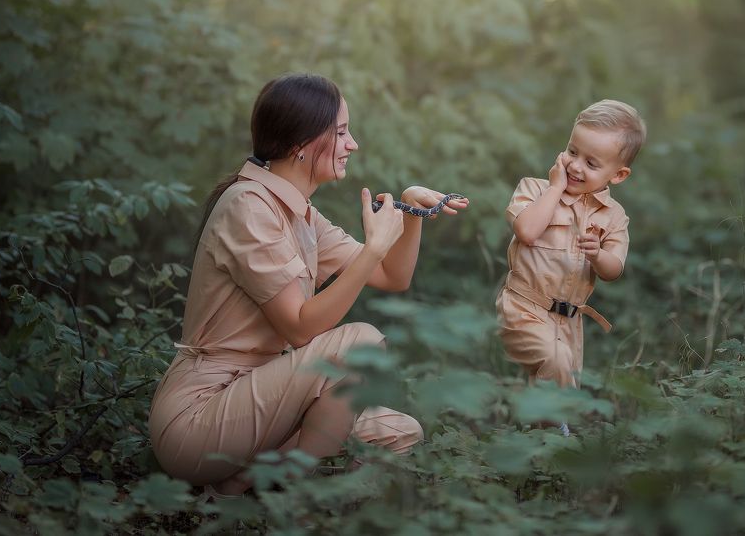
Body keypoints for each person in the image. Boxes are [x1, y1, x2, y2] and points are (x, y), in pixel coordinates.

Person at [148, 73, 469, 496]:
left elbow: (393, 276)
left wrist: (408, 212)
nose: (352, 144)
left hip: (267, 401)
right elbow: (299, 328)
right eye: (340, 132)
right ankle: (260, 493)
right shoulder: (248, 206)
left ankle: (311, 505)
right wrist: (373, 248)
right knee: (362, 343)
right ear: (300, 143)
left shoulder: (301, 215)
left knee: (400, 431)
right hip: (202, 417)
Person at [496, 100, 645, 430]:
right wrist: (555, 188)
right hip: (523, 306)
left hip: (569, 322)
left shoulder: (614, 217)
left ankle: (535, 449)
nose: (576, 166)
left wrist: (598, 255)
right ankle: (553, 440)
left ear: (618, 175)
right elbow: (527, 231)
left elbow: (613, 270)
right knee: (556, 363)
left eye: (591, 163)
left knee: (560, 386)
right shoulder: (535, 189)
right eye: (572, 152)